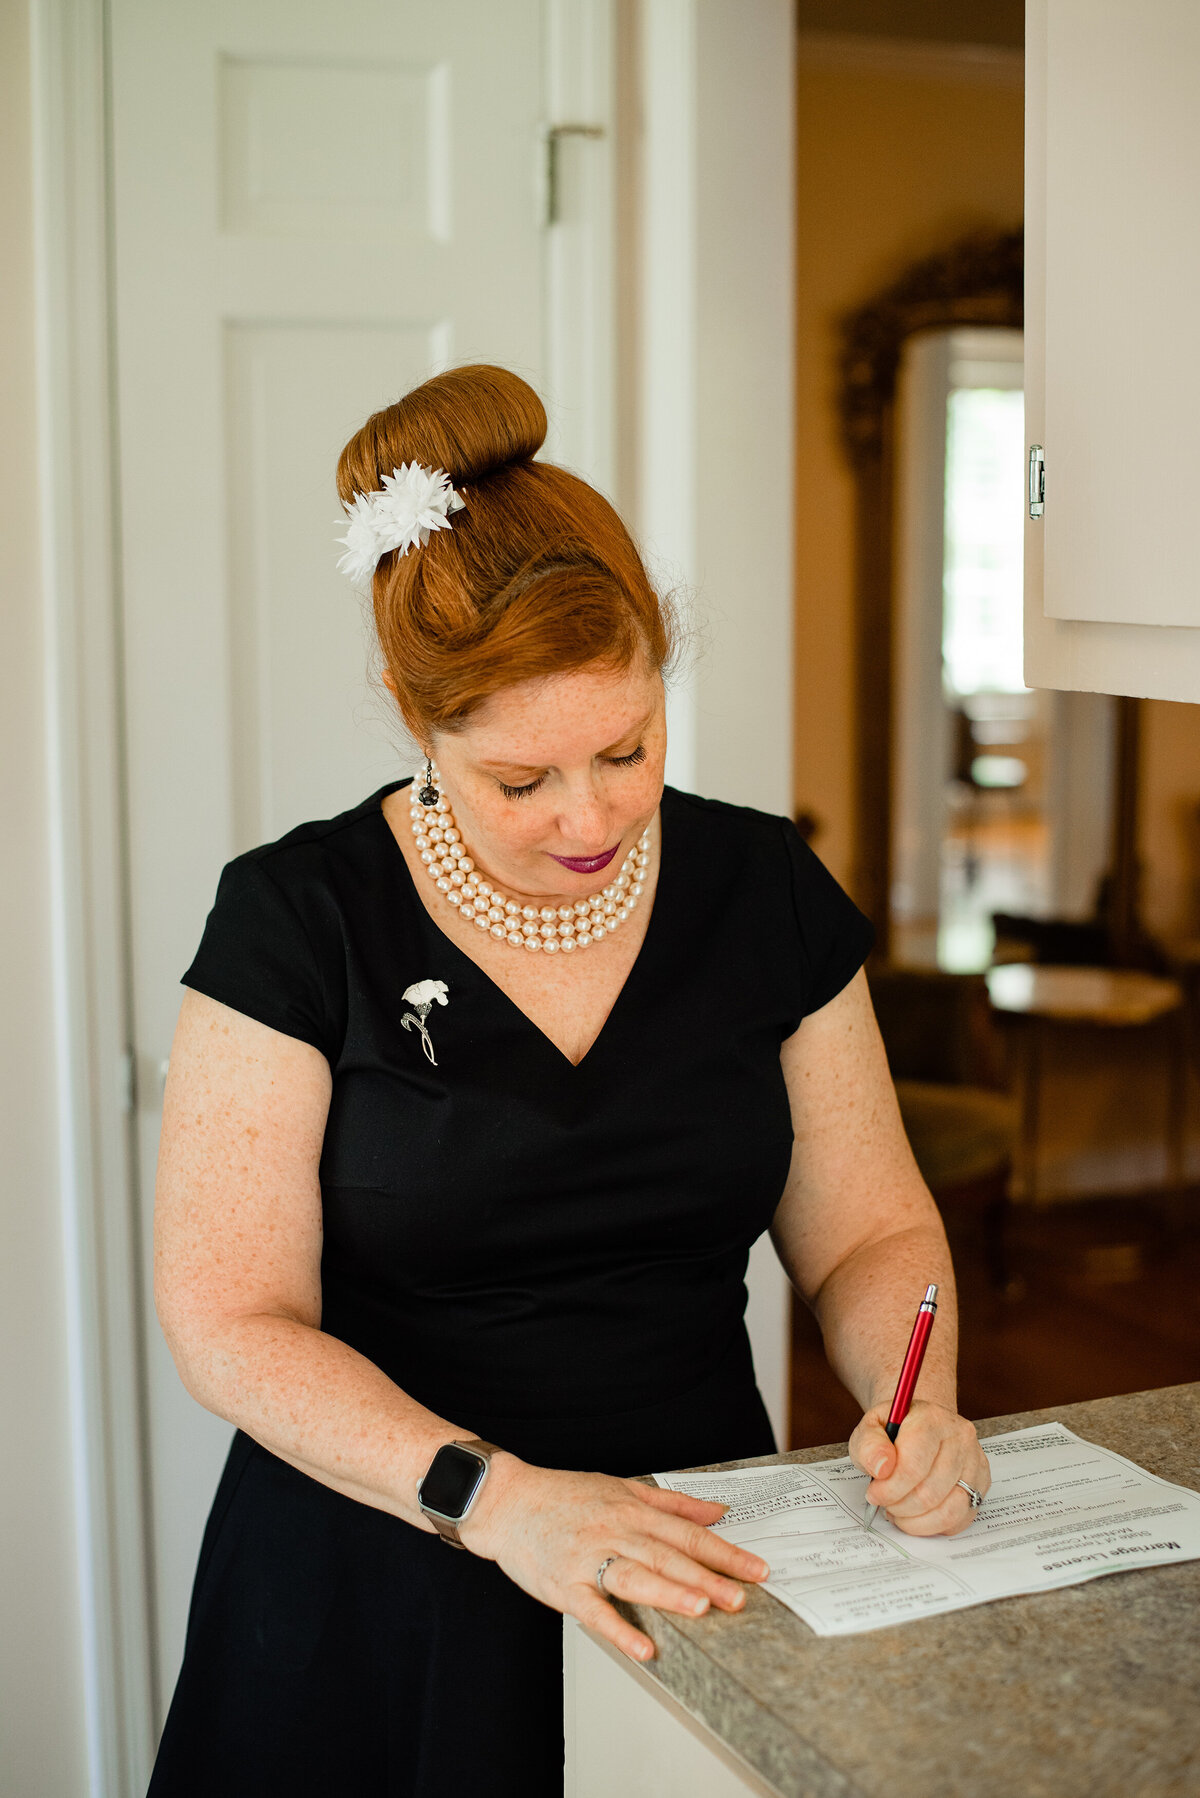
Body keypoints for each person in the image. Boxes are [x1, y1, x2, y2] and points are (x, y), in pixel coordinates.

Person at [148, 365, 990, 1796]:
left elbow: (867, 1232)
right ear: (423, 725)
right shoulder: (299, 919)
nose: (590, 815)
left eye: (627, 748)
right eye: (522, 781)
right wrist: (498, 1501)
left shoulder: (764, 890)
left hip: (697, 1561)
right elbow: (230, 1318)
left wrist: (922, 1396)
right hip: (385, 1566)